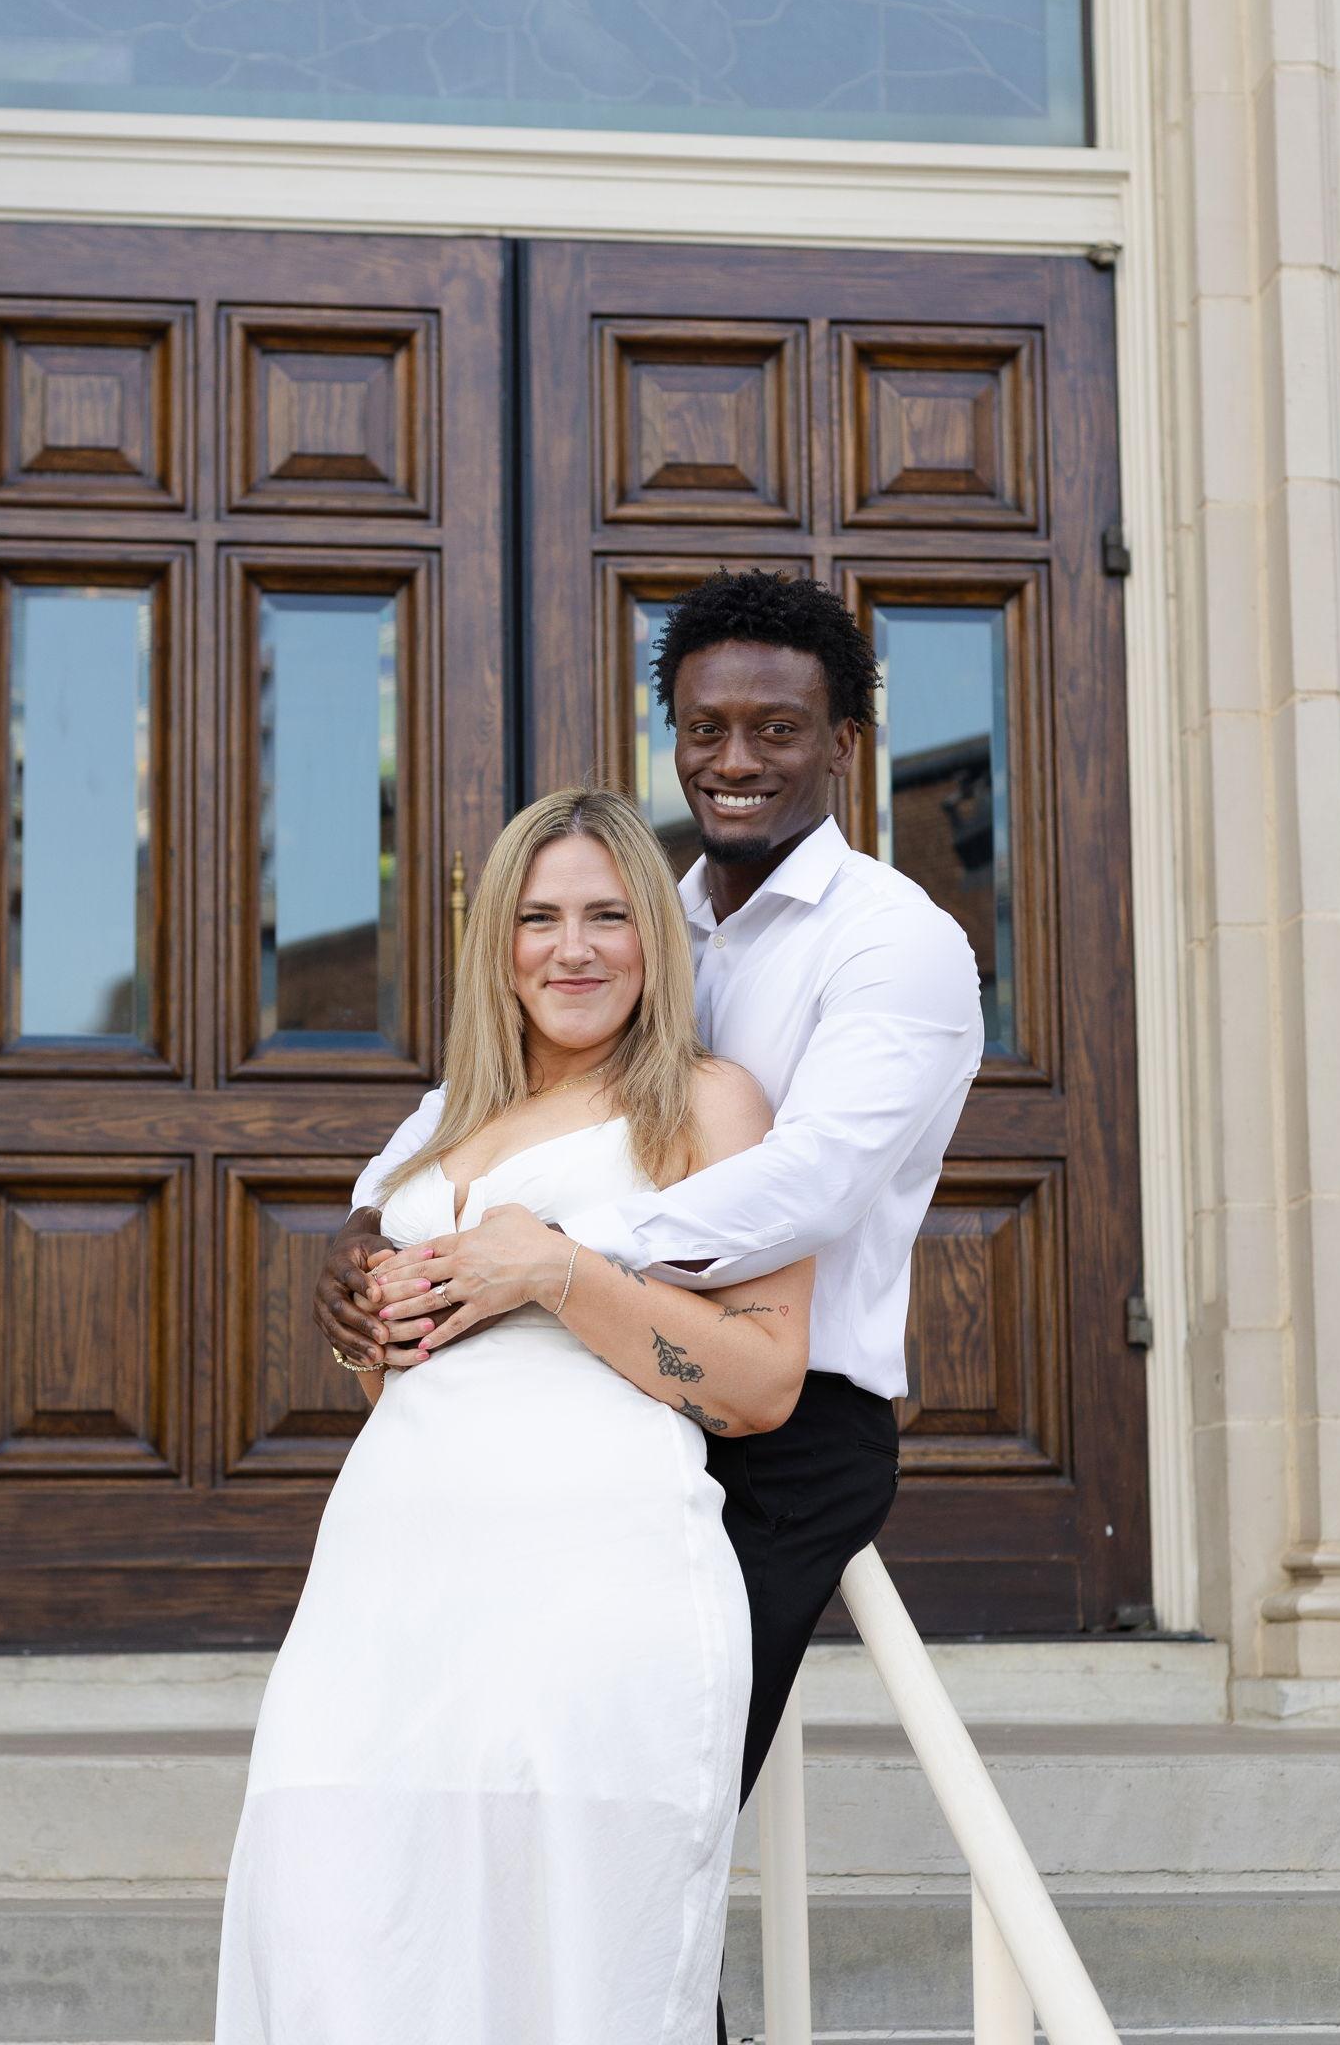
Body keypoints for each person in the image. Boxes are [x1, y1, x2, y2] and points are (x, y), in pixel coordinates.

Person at [325, 572, 985, 1924]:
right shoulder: (637, 916)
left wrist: (547, 1250)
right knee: (522, 1833)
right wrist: (377, 1222)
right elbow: (491, 1105)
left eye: (777, 729)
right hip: (573, 1437)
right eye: (704, 728)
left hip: (782, 1438)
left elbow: (811, 1181)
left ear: (842, 743)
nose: (735, 759)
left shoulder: (895, 943)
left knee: (638, 1835)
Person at [215, 788, 816, 2045]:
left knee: (562, 1974)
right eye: (538, 917)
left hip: (591, 1590)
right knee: (335, 1938)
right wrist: (368, 1322)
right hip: (383, 1590)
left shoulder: (708, 1103)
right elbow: (402, 1374)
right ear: (497, 940)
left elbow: (760, 1383)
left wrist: (557, 1272)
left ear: (655, 936)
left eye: (608, 914)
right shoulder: (440, 1123)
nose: (572, 947)